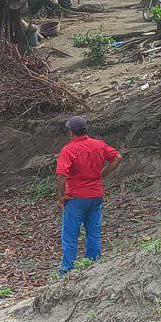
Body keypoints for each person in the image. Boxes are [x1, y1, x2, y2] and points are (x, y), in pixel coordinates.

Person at [56, 116, 122, 274]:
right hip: (96, 195)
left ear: (71, 132)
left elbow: (61, 175)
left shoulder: (69, 150)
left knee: (70, 235)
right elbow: (117, 158)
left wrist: (61, 196)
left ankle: (67, 270)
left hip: (76, 197)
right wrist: (102, 174)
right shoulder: (98, 145)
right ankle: (93, 266)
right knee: (93, 232)